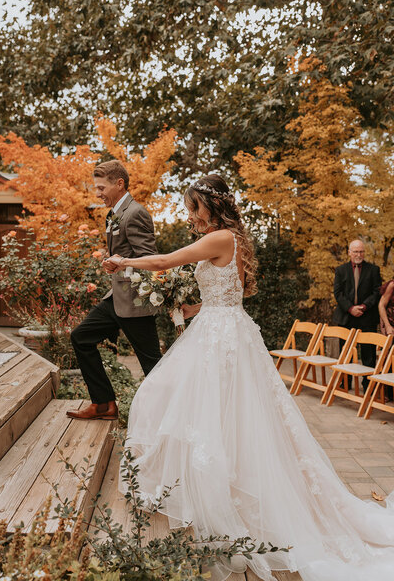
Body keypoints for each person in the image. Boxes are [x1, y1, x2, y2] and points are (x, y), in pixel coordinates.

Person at [106, 174, 394, 581]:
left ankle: (227, 499)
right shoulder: (232, 239)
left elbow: (165, 260)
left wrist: (123, 261)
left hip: (222, 339)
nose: (192, 215)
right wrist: (187, 309)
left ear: (211, 204)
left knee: (185, 401)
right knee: (214, 410)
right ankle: (220, 490)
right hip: (222, 329)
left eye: (194, 207)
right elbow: (222, 296)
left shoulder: (221, 238)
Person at [66, 160, 162, 421]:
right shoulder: (114, 214)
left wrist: (121, 262)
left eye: (101, 187)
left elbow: (150, 259)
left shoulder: (135, 213)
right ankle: (103, 404)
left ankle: (171, 416)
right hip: (115, 298)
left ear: (119, 184)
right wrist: (113, 261)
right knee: (81, 337)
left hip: (135, 303)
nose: (97, 194)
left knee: (153, 366)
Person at [332, 240, 381, 391]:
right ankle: (345, 384)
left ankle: (368, 386)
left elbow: (377, 292)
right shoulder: (341, 270)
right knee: (345, 352)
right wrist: (350, 308)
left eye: (361, 251)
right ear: (349, 252)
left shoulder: (373, 270)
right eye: (355, 251)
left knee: (369, 354)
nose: (358, 254)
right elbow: (338, 293)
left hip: (367, 318)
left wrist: (364, 306)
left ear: (364, 252)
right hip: (347, 318)